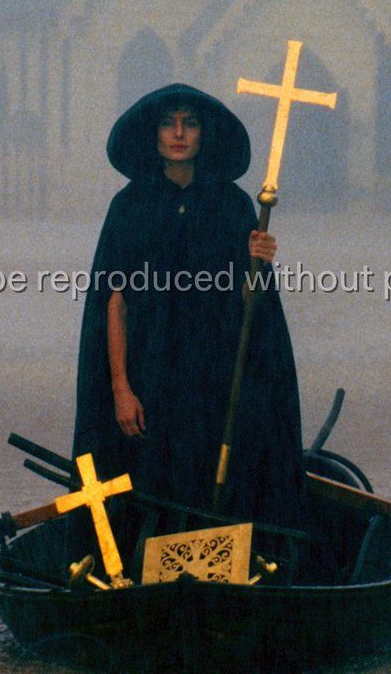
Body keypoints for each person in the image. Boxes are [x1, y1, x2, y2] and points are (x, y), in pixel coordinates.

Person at [73, 83, 305, 531]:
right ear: (154, 133)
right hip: (149, 375)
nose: (179, 134)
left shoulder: (233, 206)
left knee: (215, 475)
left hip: (214, 377)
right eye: (168, 123)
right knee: (147, 478)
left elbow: (250, 307)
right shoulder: (129, 207)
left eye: (190, 123)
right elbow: (115, 302)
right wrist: (121, 389)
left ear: (204, 133)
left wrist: (258, 263)